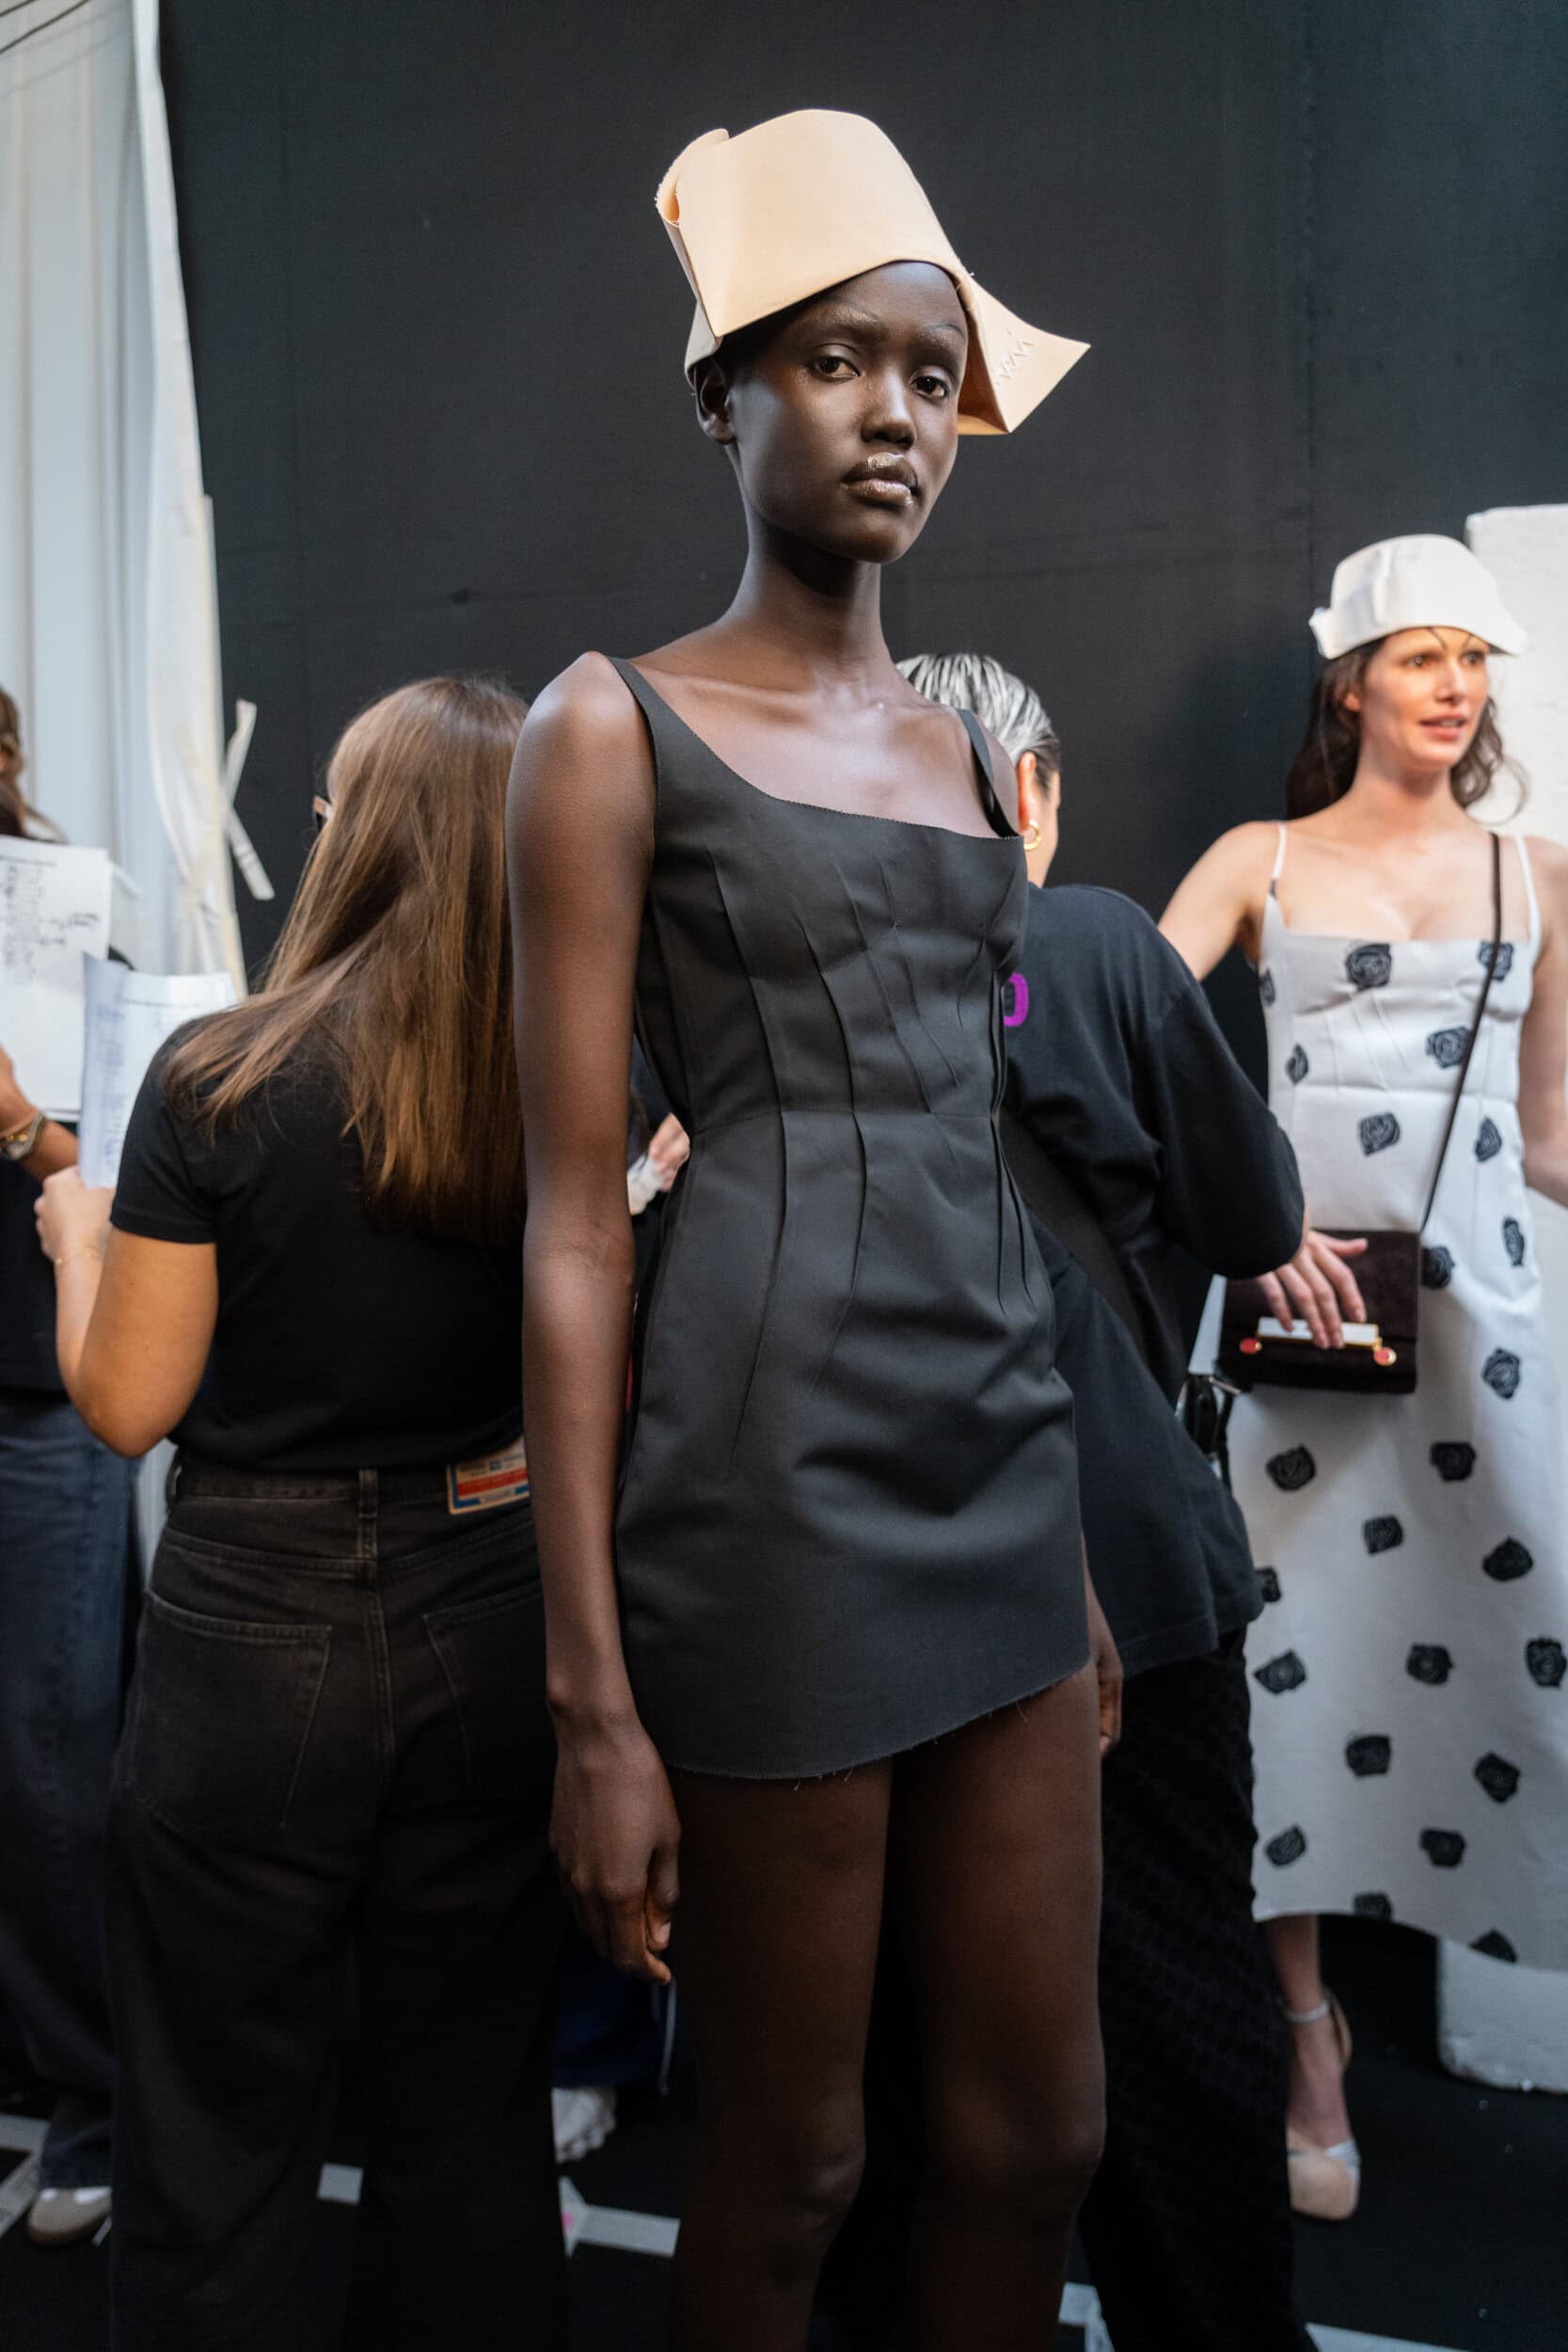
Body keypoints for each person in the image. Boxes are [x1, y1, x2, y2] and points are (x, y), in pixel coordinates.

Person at [507, 110, 1111, 2352]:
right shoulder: (607, 726)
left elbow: (971, 1157)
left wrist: (1065, 1551)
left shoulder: (960, 755)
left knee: (1036, 2136)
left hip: (998, 1477)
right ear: (721, 392)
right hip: (768, 1501)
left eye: (932, 377)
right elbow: (575, 1226)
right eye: (839, 361)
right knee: (795, 2161)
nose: (895, 416)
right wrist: (591, 1699)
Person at [35, 677, 568, 2350]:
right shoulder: (568, 1077)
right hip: (494, 1594)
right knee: (470, 2124)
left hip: (254, 1631)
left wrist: (76, 1239)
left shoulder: (216, 1080)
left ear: (357, 839)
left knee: (215, 2129)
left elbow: (127, 1403)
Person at [815, 651, 1312, 2352]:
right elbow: (1255, 1221)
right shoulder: (1095, 940)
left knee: (902, 2039)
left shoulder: (793, 980)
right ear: (1030, 790)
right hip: (1125, 1551)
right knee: (1172, 2013)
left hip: (876, 1573)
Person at [1161, 534, 1568, 2220]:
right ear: (1353, 682)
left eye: (1473, 657)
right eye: (1421, 655)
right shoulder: (1255, 861)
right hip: (1303, 1327)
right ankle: (1307, 2039)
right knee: (1289, 1686)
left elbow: (1549, 1136)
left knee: (1515, 1652)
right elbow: (1128, 1043)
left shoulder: (1540, 871)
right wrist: (1229, 1224)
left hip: (1486, 1339)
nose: (1454, 684)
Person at [0, 686, 137, 2247]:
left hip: (43, 1399)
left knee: (50, 1765)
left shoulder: (64, 934)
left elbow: (130, 1176)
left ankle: (104, 2103)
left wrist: (14, 1119)